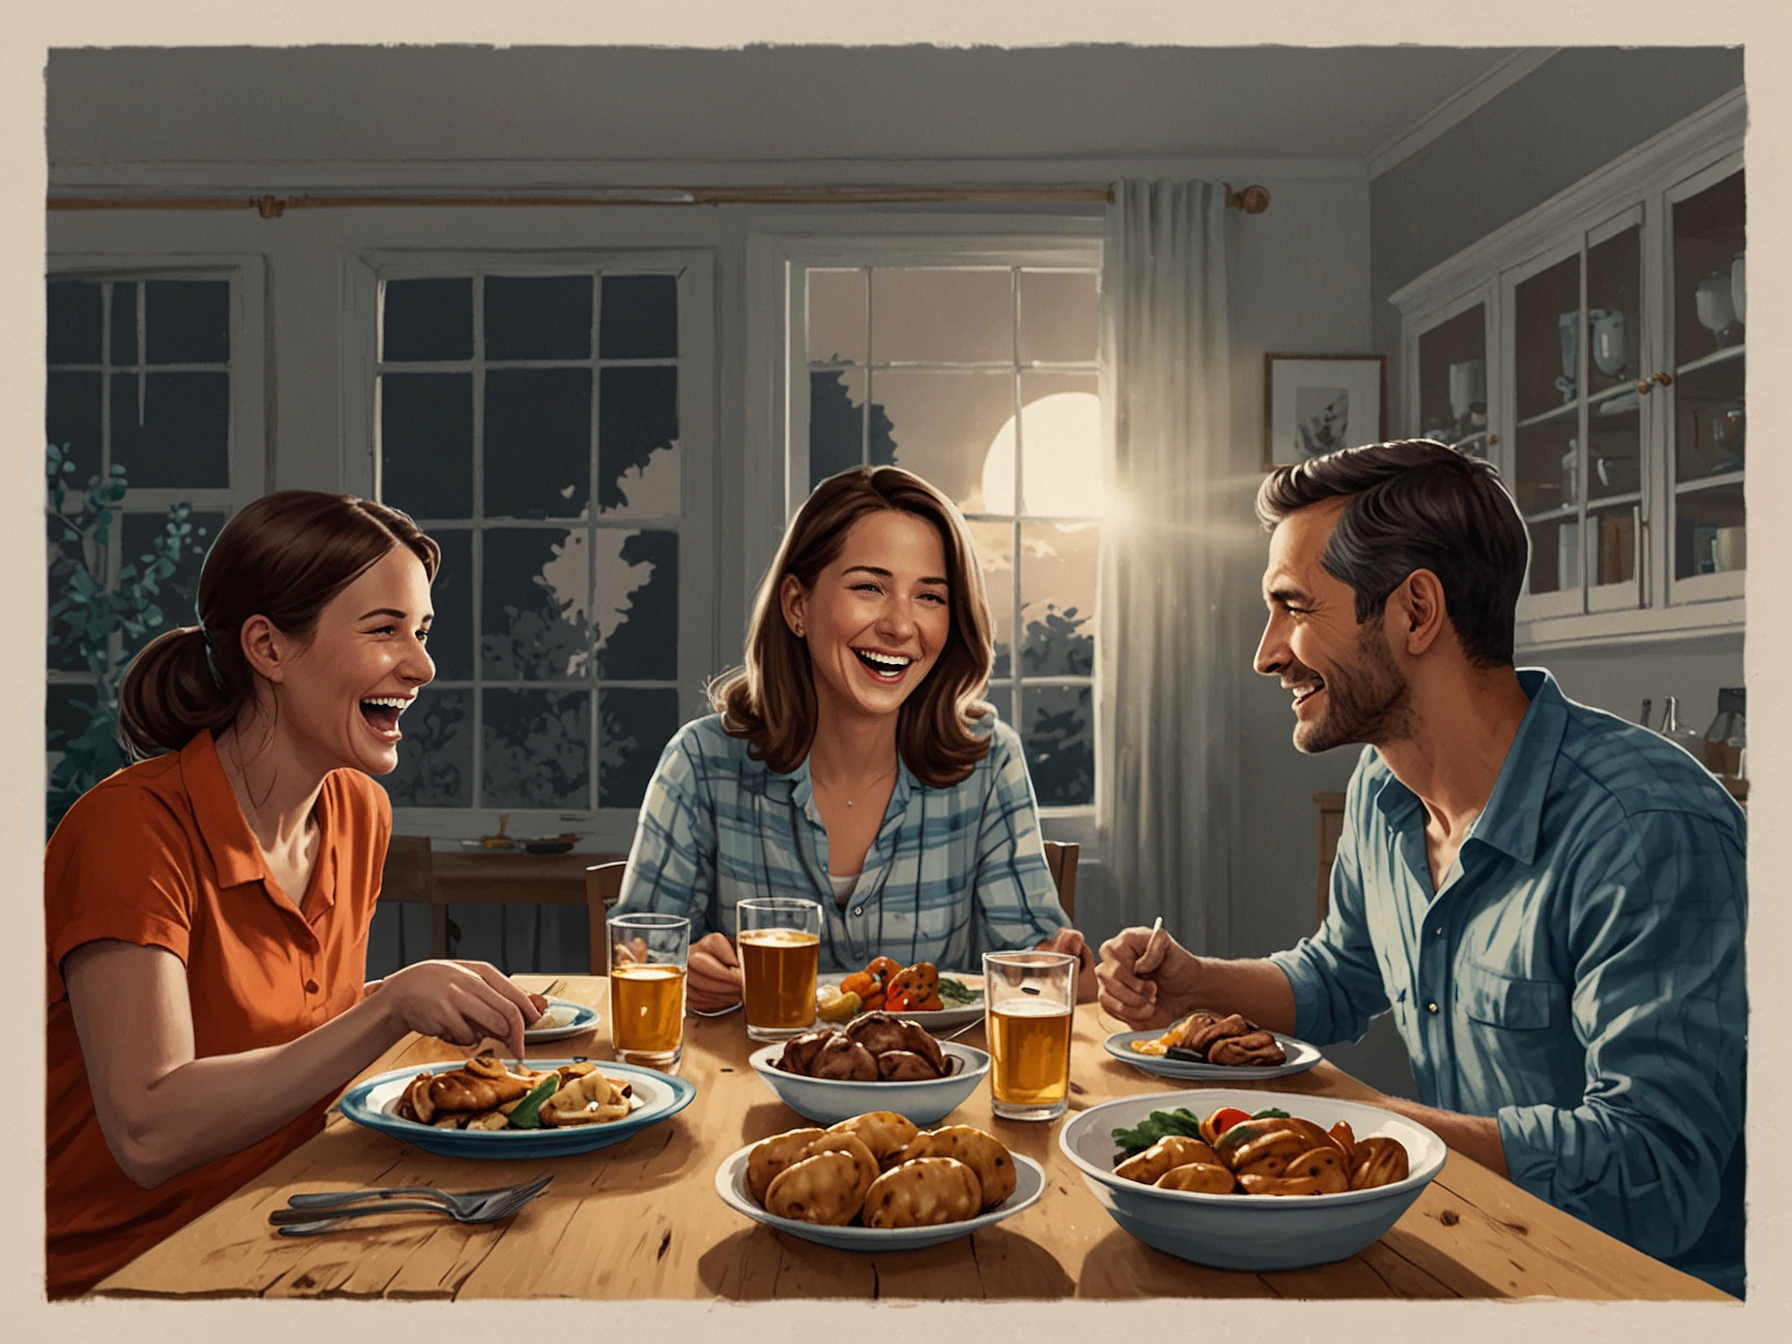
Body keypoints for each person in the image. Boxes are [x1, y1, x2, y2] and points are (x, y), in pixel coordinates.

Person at [1096, 440, 1746, 1298]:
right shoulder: (1386, 782)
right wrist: (1196, 984)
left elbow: (1656, 1173)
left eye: (1293, 607)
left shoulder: (1644, 829)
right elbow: (1342, 973)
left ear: (1415, 612)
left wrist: (1364, 1125)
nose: (1266, 652)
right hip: (1483, 1248)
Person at [44, 490, 548, 1299]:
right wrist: (387, 1010)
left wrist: (416, 995)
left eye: (421, 633)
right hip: (117, 1277)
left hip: (290, 1228)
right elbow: (147, 1127)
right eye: (384, 630)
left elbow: (296, 1025)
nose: (420, 667)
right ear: (268, 648)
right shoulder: (130, 831)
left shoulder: (356, 812)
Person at [612, 465, 1094, 1012]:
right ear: (797, 605)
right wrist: (685, 971)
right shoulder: (700, 763)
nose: (900, 625)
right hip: (745, 1088)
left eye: (930, 597)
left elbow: (1036, 975)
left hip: (929, 1089)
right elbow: (636, 958)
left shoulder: (988, 762)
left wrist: (1064, 965)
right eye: (870, 587)